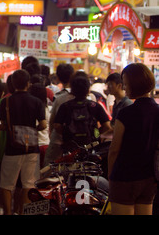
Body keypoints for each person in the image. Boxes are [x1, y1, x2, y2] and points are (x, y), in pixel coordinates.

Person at [108, 63, 159, 215]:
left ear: (134, 84)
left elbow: (114, 149)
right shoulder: (157, 111)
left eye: (125, 82)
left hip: (124, 176)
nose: (124, 87)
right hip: (149, 178)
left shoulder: (126, 113)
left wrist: (111, 176)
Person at [0, 69, 47, 215]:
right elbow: (44, 125)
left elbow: (1, 125)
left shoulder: (6, 102)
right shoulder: (37, 102)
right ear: (28, 83)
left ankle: (8, 212)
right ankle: (24, 213)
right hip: (31, 149)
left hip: (12, 148)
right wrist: (32, 130)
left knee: (6, 184)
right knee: (29, 184)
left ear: (12, 84)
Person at [53, 72, 112, 152]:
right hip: (91, 147)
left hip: (71, 148)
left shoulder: (65, 106)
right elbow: (107, 126)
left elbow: (57, 125)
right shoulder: (95, 106)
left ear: (72, 90)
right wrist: (96, 134)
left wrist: (67, 134)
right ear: (88, 90)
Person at [44, 63, 75, 166]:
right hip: (78, 142)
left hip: (58, 140)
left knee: (50, 167)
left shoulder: (58, 97)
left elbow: (53, 121)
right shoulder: (89, 98)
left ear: (57, 78)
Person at [28, 83, 50, 169]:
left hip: (34, 146)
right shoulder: (48, 109)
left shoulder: (31, 109)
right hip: (46, 143)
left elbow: (43, 125)